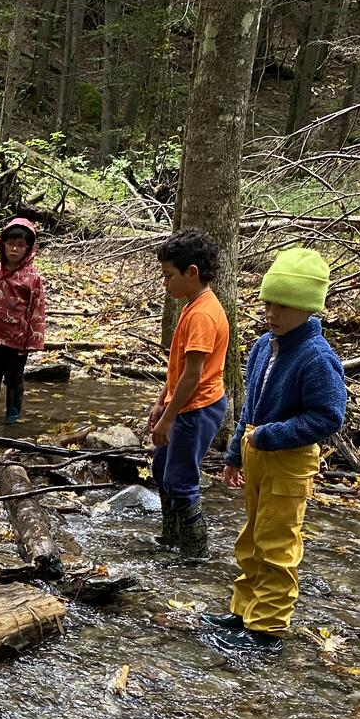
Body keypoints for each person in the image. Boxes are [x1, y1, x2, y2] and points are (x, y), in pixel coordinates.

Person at [202, 248, 346, 654]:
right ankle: (243, 610)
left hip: (289, 458)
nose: (272, 313)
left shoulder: (317, 357)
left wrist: (271, 435)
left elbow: (327, 417)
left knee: (278, 543)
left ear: (307, 307)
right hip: (255, 448)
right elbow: (249, 405)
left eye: (283, 305)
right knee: (251, 537)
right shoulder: (265, 345)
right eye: (268, 303)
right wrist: (234, 453)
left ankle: (267, 629)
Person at [149, 229, 230, 561]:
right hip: (183, 404)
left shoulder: (202, 315)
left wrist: (169, 418)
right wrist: (160, 401)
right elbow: (178, 367)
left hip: (197, 409)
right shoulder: (191, 305)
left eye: (169, 275)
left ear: (192, 272)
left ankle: (195, 554)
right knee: (161, 469)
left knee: (181, 480)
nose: (165, 283)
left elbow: (194, 375)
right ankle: (171, 538)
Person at [0, 217, 47, 424]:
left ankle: (12, 415)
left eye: (20, 245)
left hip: (17, 339)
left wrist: (33, 340)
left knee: (14, 378)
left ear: (29, 249)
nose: (14, 249)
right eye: (10, 244)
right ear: (2, 244)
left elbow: (37, 310)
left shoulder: (32, 278)